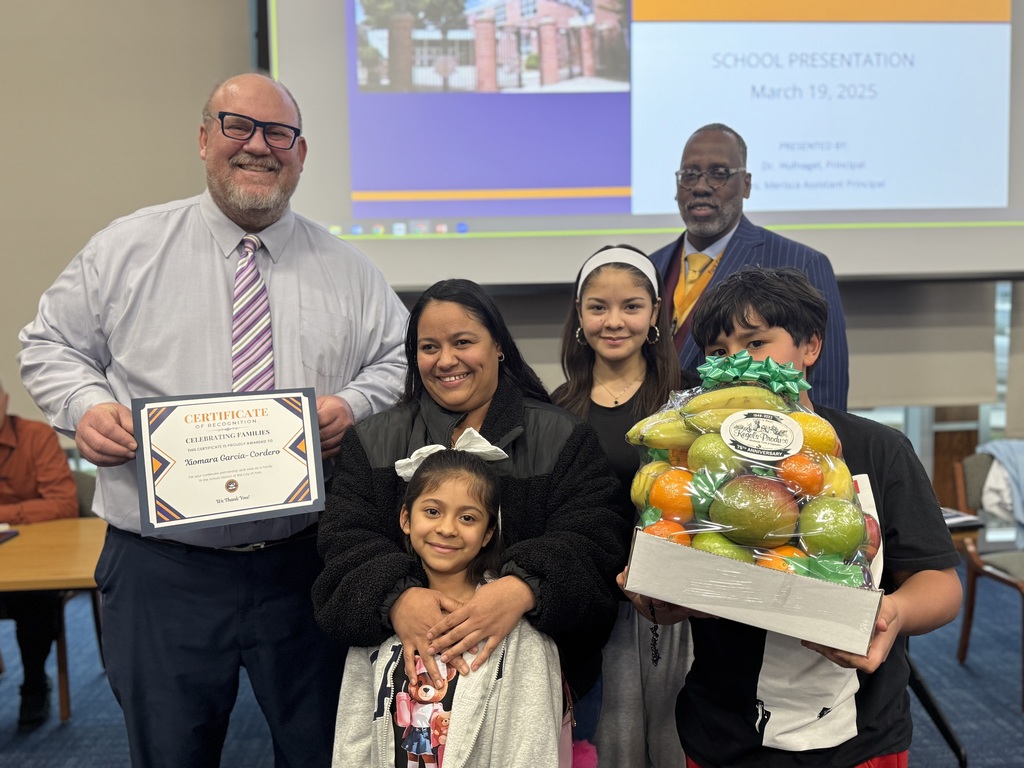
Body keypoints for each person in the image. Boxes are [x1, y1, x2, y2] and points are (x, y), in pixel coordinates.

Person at [18, 73, 409, 767]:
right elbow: (48, 344)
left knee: (324, 751)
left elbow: (396, 364)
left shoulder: (349, 270)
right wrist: (88, 408)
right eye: (238, 127)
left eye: (278, 134)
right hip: (161, 571)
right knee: (170, 754)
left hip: (306, 564)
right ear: (204, 140)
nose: (259, 146)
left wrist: (353, 406)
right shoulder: (125, 251)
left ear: (301, 152)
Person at [620, 267, 962, 768]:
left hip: (861, 735)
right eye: (717, 352)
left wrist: (894, 616)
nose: (737, 362)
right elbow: (670, 567)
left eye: (756, 342)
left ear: (810, 347)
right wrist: (655, 600)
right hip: (724, 732)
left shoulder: (876, 449)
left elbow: (940, 583)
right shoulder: (692, 459)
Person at [313, 278, 633, 726]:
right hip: (404, 701)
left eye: (463, 342)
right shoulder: (371, 441)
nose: (446, 361)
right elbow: (343, 545)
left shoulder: (564, 436)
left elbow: (597, 539)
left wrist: (522, 589)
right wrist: (398, 598)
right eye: (429, 347)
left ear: (498, 346)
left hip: (531, 697)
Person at [334, 448, 562, 767]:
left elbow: (530, 750)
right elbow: (353, 739)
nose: (447, 528)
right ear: (405, 518)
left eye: (467, 517)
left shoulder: (519, 636)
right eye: (432, 511)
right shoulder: (377, 615)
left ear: (487, 534)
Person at [551, 245, 685, 767]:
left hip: (681, 605)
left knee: (679, 739)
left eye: (631, 306)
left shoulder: (687, 401)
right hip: (596, 608)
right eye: (597, 307)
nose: (614, 321)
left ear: (654, 315)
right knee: (611, 747)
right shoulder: (558, 409)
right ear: (580, 317)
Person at [649, 123, 849, 410]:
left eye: (719, 174)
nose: (701, 187)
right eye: (690, 175)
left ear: (746, 184)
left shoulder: (800, 262)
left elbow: (827, 391)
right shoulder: (652, 267)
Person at [0, 380, 79, 732]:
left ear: (3, 402)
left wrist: (6, 515)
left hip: (34, 563)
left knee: (35, 602)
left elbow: (63, 505)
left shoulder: (35, 436)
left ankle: (34, 684)